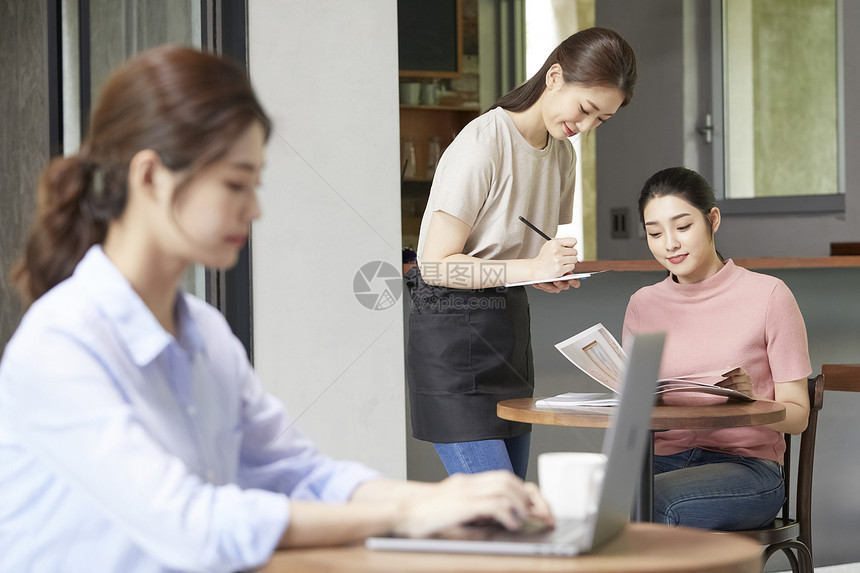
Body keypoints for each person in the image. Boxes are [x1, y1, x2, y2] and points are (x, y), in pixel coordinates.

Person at [0, 46, 553, 573]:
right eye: (237, 184)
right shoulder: (61, 344)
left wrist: (451, 499)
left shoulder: (204, 333)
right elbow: (191, 524)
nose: (255, 209)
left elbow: (297, 472)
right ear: (150, 177)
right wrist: (409, 513)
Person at [405, 27, 637, 479]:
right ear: (554, 77)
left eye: (601, 121)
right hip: (452, 341)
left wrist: (537, 274)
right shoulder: (483, 143)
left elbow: (512, 255)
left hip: (507, 334)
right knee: (498, 516)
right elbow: (434, 266)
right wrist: (531, 266)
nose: (585, 127)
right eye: (585, 109)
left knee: (514, 509)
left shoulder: (562, 157)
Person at [622, 166, 811, 530]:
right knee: (585, 502)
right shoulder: (643, 304)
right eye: (655, 233)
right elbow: (635, 414)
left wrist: (754, 400)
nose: (670, 244)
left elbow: (799, 417)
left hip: (747, 469)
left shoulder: (769, 295)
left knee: (654, 502)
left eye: (683, 226)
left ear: (713, 219)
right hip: (662, 462)